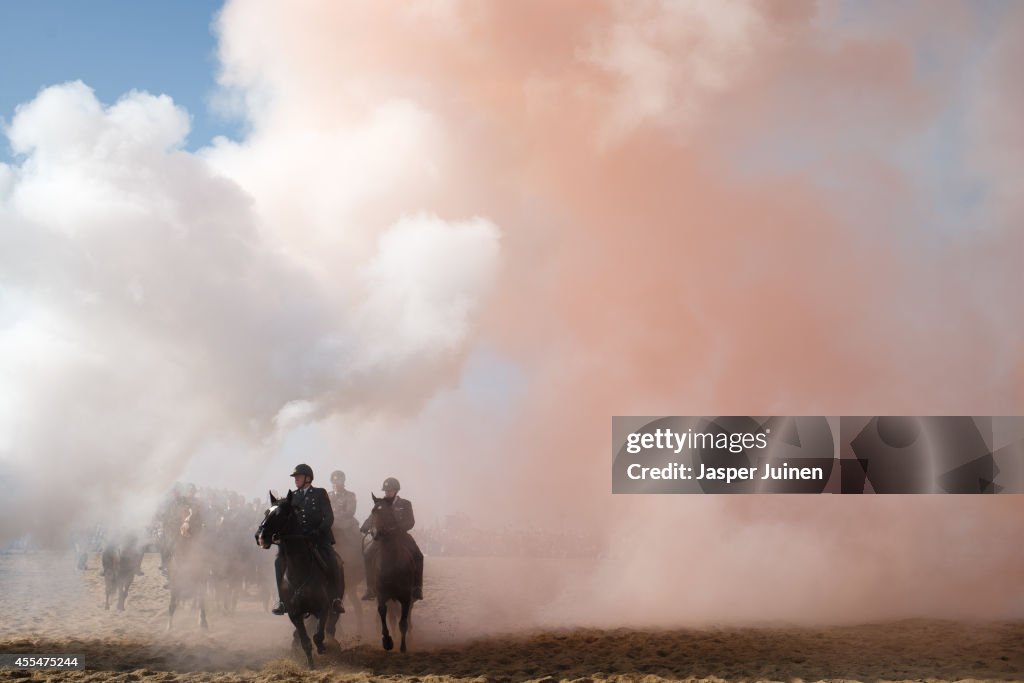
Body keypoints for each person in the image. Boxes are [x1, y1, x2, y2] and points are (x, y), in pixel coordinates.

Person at [271, 464, 345, 616]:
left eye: (298, 477)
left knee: (333, 560)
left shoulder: (319, 493)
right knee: (278, 562)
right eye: (295, 477)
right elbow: (286, 518)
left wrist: (318, 531)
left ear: (308, 478)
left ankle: (335, 598)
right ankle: (283, 601)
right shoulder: (293, 496)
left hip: (319, 538)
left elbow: (328, 517)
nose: (296, 479)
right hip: (299, 542)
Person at [360, 477, 423, 601]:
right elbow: (372, 517)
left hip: (401, 536)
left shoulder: (405, 504)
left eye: (390, 490)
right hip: (383, 537)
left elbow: (411, 521)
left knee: (419, 556)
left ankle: (417, 587)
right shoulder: (381, 504)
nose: (387, 493)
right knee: (367, 554)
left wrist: (397, 529)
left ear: (396, 491)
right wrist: (365, 526)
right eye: (386, 490)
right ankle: (370, 588)